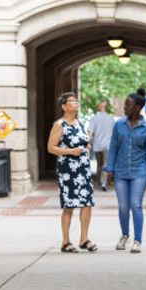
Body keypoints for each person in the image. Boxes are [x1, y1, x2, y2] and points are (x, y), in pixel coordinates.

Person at [104, 88, 146, 254]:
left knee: (136, 205)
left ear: (137, 107)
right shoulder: (119, 124)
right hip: (121, 172)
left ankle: (137, 240)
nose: (124, 108)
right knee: (122, 206)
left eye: (128, 105)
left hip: (139, 172)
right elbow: (113, 148)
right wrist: (110, 169)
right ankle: (124, 235)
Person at [47, 92, 98, 253]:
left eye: (76, 101)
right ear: (64, 106)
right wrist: (70, 151)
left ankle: (84, 239)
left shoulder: (80, 123)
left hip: (83, 168)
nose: (76, 103)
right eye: (71, 101)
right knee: (69, 205)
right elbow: (51, 148)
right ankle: (65, 241)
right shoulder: (59, 124)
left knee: (87, 203)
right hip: (67, 169)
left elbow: (83, 142)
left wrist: (85, 148)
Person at [88, 99, 115, 191]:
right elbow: (115, 133)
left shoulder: (94, 118)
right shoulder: (111, 118)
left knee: (99, 164)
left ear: (98, 107)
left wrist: (88, 143)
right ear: (105, 106)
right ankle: (103, 182)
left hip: (97, 145)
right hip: (108, 145)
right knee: (105, 164)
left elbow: (90, 133)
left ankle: (100, 181)